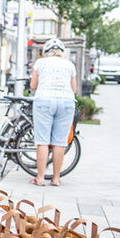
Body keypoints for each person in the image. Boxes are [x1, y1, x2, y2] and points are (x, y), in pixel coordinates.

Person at [29, 37, 76, 187]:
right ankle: (56, 179)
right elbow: (74, 89)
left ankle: (41, 177)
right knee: (60, 142)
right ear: (62, 52)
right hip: (67, 102)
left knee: (42, 141)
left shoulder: (40, 62)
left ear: (45, 51)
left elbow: (33, 85)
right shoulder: (69, 65)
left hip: (44, 100)